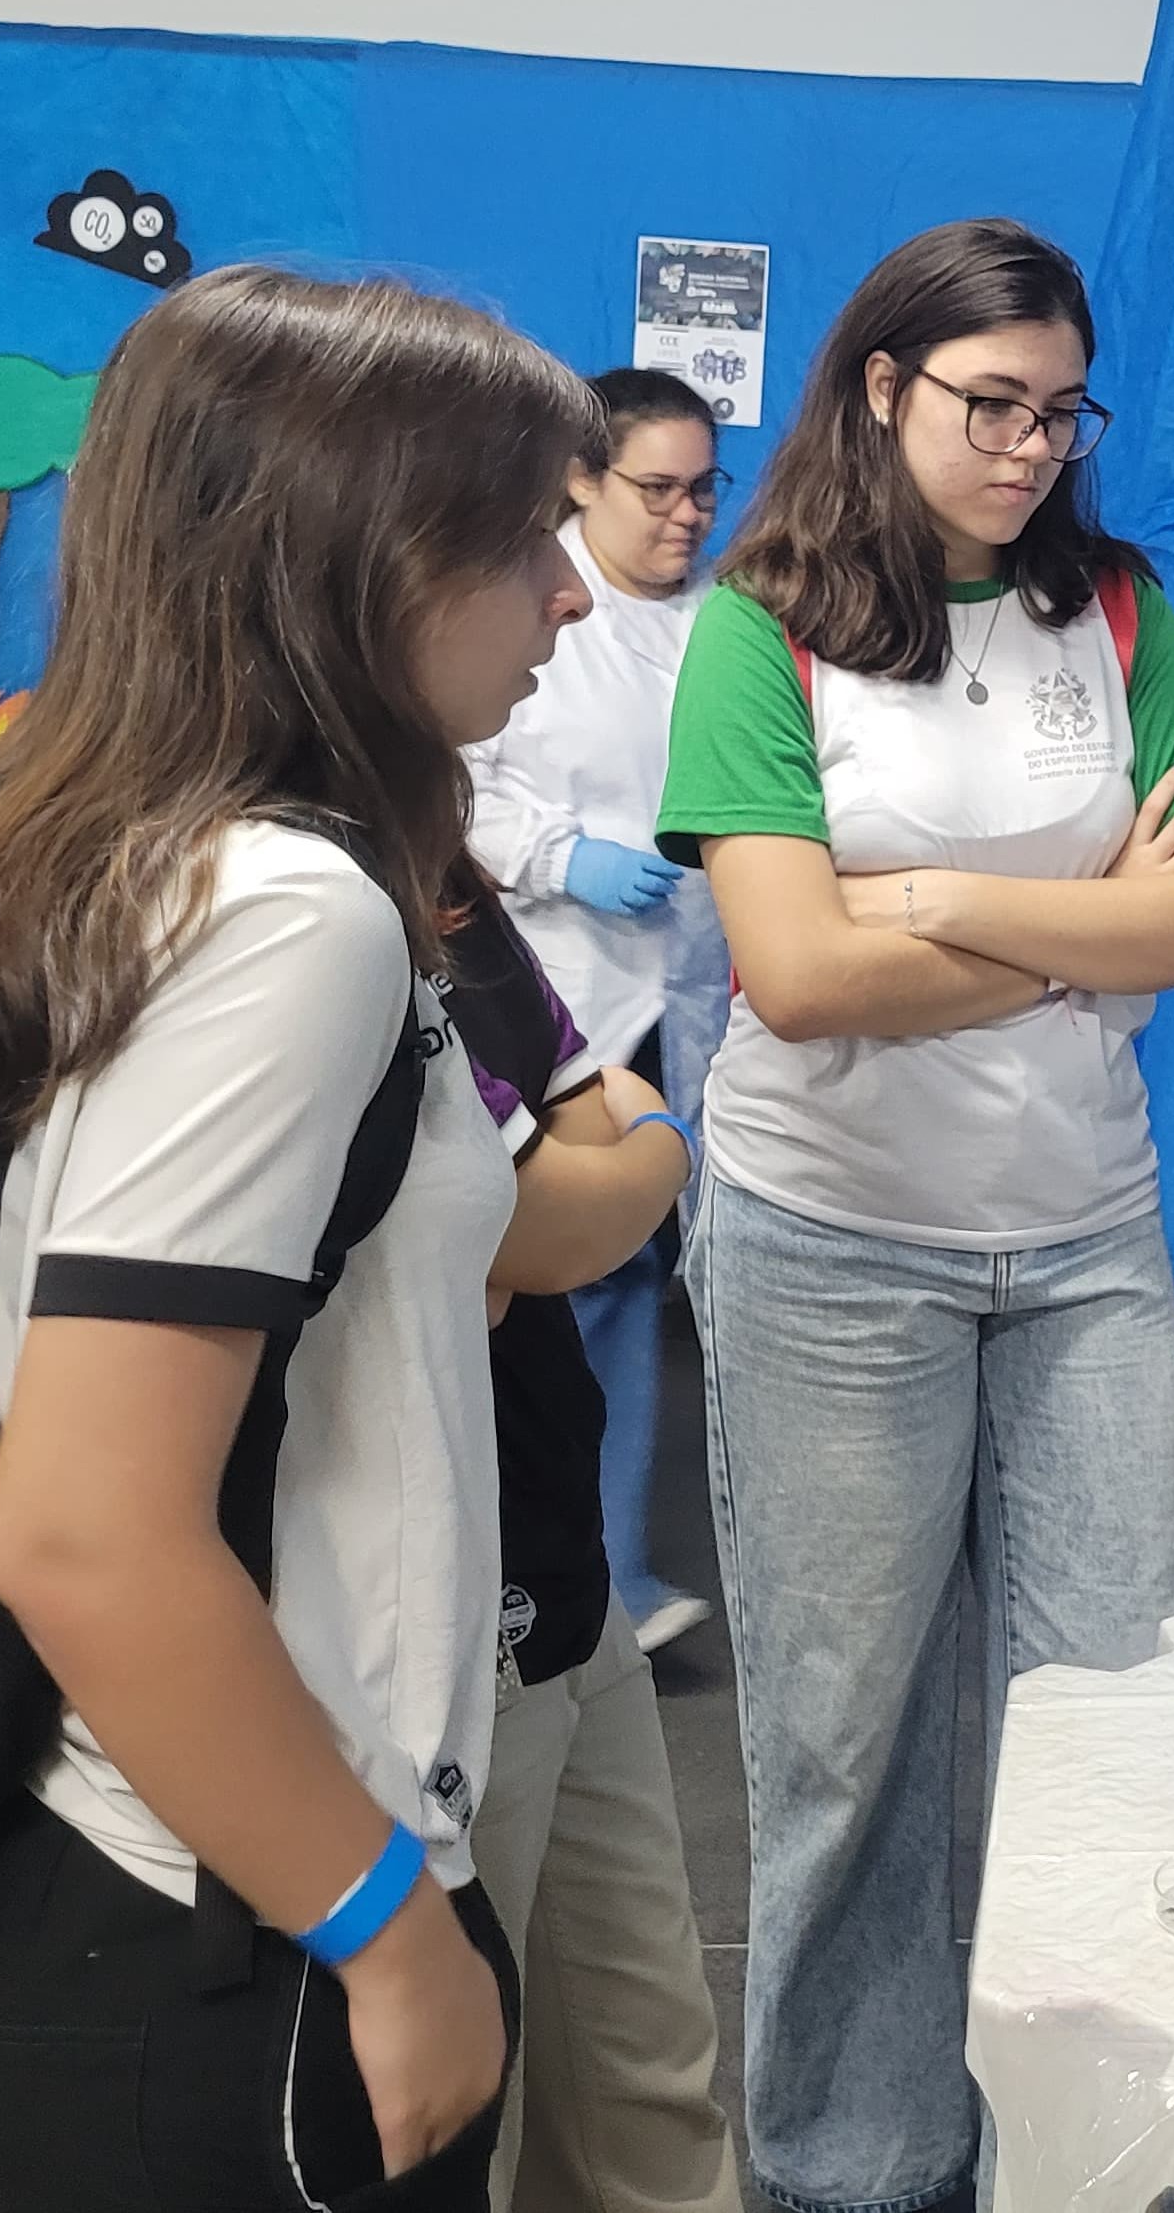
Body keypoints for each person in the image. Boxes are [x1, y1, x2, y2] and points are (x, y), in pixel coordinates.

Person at [0, 267, 599, 2211]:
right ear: (369, 558)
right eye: (534, 540)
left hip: (144, 1879)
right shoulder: (290, 919)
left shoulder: (171, 856)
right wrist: (387, 1928)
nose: (577, 595)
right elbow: (83, 1526)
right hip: (222, 1928)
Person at [658, 217, 1174, 2213]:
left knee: (1105, 1718)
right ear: (883, 387)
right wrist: (1089, 940)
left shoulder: (1116, 611)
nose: (1030, 450)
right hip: (827, 1240)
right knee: (848, 1746)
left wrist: (937, 901)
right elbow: (795, 982)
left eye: (1062, 414)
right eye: (992, 406)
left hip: (1083, 1232)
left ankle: (1068, 2160)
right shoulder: (763, 626)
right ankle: (848, 2166)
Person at [440, 879, 743, 2213]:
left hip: (561, 1580)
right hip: (433, 1637)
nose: (552, 649)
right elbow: (535, 1218)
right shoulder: (286, 894)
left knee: (653, 2094)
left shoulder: (434, 876)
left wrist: (607, 1160)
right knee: (461, 2117)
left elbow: (570, 1125)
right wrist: (663, 1144)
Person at [466, 363, 736, 1656]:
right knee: (551, 1287)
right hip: (555, 986)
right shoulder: (526, 594)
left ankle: (613, 1566)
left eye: (704, 488)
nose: (687, 514)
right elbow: (445, 775)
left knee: (633, 1285)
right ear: (584, 476)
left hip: (680, 999)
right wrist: (552, 849)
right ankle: (535, 1572)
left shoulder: (723, 623)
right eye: (659, 487)